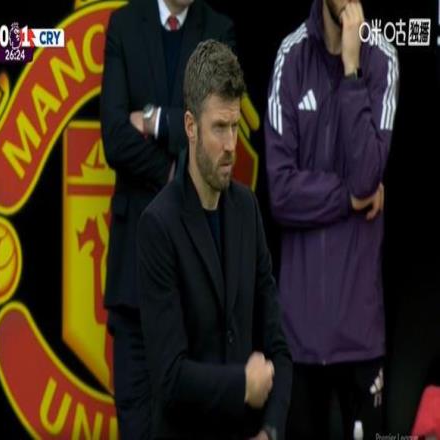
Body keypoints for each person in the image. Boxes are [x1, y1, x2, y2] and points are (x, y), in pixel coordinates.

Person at [137, 40, 292, 440]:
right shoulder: (158, 225)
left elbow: (278, 346)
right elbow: (170, 376)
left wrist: (270, 431)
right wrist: (243, 385)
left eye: (235, 126)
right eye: (219, 128)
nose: (230, 146)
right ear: (190, 126)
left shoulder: (247, 209)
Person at [100, 0, 236, 438]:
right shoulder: (124, 25)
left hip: (195, 276)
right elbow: (115, 137)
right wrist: (173, 170)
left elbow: (216, 132)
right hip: (133, 280)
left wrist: (154, 120)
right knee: (137, 422)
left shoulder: (218, 29)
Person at [264, 0, 398, 438]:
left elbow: (366, 176)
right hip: (300, 338)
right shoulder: (291, 55)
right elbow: (280, 191)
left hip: (359, 335)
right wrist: (348, 197)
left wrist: (352, 70)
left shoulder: (382, 56)